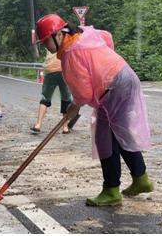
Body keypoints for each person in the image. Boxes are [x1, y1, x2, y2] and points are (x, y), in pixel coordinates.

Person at [35, 14, 153, 206]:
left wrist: (72, 109)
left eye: (45, 41)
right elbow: (107, 37)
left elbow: (83, 93)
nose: (44, 47)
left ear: (58, 35)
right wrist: (104, 64)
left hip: (114, 87)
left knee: (106, 139)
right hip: (124, 76)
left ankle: (113, 191)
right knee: (115, 135)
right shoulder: (83, 34)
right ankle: (140, 179)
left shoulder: (71, 54)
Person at [31, 50, 80, 134]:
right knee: (66, 100)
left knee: (45, 98)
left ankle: (38, 125)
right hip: (64, 70)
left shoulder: (50, 38)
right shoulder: (68, 38)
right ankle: (65, 127)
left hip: (50, 69)